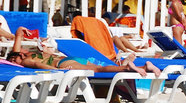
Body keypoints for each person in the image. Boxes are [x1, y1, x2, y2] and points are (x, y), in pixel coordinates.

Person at [6, 26, 159, 75]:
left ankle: (126, 67)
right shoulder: (34, 53)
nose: (15, 63)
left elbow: (39, 65)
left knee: (100, 69)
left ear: (21, 55)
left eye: (14, 60)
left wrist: (55, 71)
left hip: (64, 65)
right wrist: (19, 32)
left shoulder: (27, 59)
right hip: (71, 59)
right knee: (99, 67)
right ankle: (144, 67)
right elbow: (16, 52)